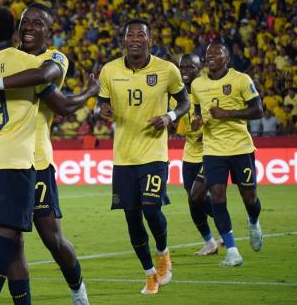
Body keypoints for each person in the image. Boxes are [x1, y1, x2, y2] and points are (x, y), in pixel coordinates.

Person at [0, 3, 97, 304]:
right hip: (14, 161)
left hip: (36, 159)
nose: (29, 28)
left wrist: (90, 92)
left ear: (49, 31)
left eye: (38, 23)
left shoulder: (53, 58)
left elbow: (53, 92)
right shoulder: (11, 60)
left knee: (52, 237)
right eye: (25, 22)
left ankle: (78, 291)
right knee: (13, 242)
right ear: (16, 27)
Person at [97, 19, 190, 294]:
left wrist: (170, 115)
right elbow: (101, 104)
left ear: (150, 39)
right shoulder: (109, 70)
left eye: (141, 34)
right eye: (130, 35)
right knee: (132, 218)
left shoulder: (167, 70)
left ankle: (163, 252)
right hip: (123, 157)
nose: (135, 38)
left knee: (151, 209)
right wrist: (99, 111)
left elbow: (184, 101)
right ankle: (149, 273)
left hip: (154, 153)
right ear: (123, 40)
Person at [191, 43, 264, 267]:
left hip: (241, 148)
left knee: (249, 198)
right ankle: (232, 251)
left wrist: (227, 114)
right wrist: (197, 121)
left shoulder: (241, 80)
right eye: (208, 53)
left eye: (216, 53)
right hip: (213, 150)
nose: (210, 56)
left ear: (227, 58)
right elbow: (197, 111)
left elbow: (258, 110)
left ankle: (253, 221)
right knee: (217, 197)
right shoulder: (197, 84)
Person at [178, 53, 218, 256]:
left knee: (197, 194)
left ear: (199, 66)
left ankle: (224, 227)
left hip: (210, 151)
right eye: (182, 68)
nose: (185, 71)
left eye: (189, 67)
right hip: (189, 153)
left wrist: (205, 131)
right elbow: (180, 127)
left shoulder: (208, 88)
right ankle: (210, 242)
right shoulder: (178, 94)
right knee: (193, 199)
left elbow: (220, 116)